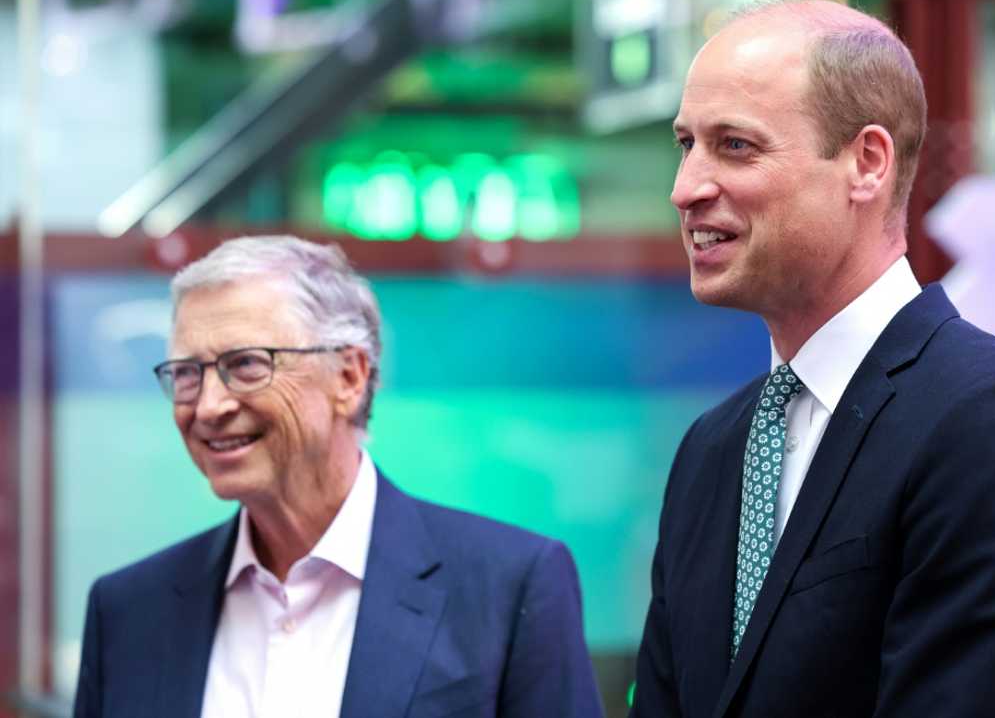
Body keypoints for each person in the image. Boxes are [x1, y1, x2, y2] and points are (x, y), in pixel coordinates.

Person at [632, 0, 995, 718]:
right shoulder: (713, 450)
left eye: (735, 146)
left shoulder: (991, 423)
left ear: (867, 163)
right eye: (685, 144)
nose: (685, 188)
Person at [74, 236, 603, 718]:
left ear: (349, 377)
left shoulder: (507, 587)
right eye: (188, 374)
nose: (209, 406)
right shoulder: (128, 612)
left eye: (247, 364)